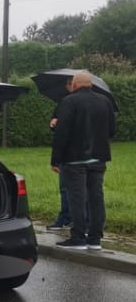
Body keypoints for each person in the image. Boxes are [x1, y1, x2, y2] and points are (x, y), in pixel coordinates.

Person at [50, 70, 116, 250]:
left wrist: (55, 160)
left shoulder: (69, 101)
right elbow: (111, 130)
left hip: (74, 159)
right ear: (91, 84)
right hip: (98, 158)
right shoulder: (105, 101)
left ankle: (78, 237)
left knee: (77, 198)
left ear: (75, 84)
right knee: (96, 197)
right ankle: (95, 239)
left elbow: (62, 133)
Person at [46, 108, 72, 231]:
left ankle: (82, 221)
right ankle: (66, 218)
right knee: (64, 188)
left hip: (77, 153)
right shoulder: (62, 104)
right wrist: (54, 123)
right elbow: (57, 129)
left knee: (83, 190)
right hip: (64, 153)